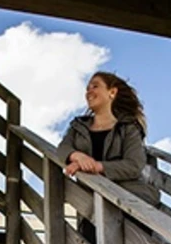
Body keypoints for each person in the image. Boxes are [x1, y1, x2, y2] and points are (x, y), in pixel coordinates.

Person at [54, 72, 158, 205]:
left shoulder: (128, 127)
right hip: (91, 200)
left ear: (112, 92)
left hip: (129, 200)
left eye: (95, 86)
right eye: (87, 89)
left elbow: (134, 165)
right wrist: (78, 157)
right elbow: (63, 148)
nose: (89, 92)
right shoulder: (78, 126)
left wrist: (97, 166)